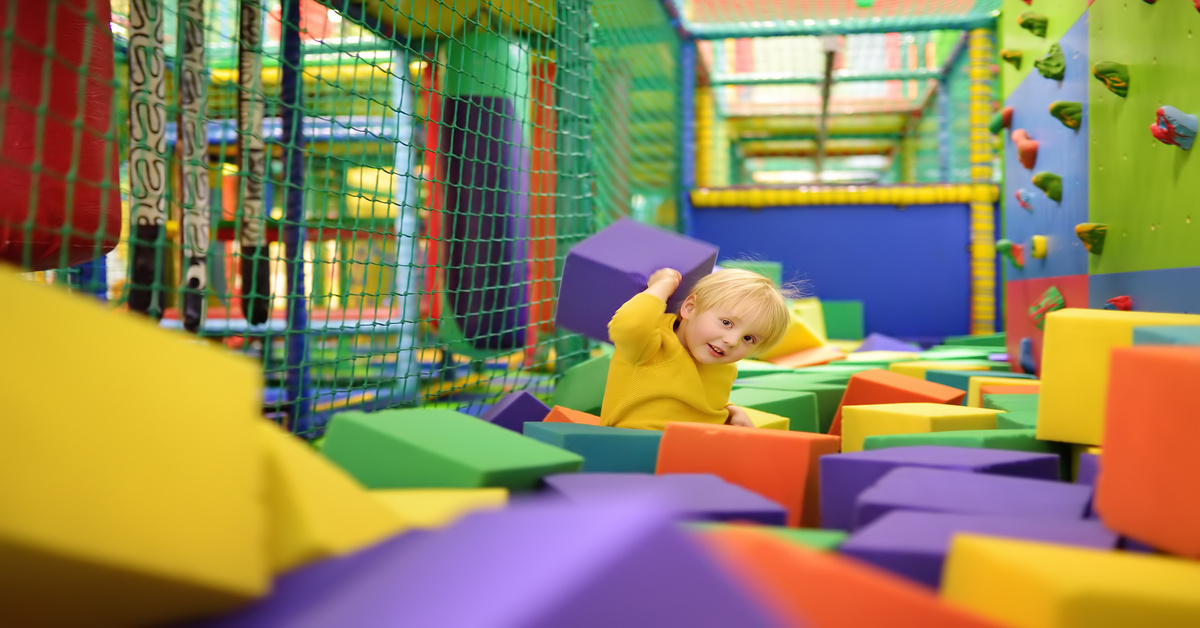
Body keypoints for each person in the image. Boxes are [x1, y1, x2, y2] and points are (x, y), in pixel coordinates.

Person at [600, 267, 794, 431]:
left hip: (691, 452)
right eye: (727, 322)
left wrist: (730, 411)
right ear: (690, 308)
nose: (733, 341)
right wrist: (663, 285)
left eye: (749, 338)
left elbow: (699, 402)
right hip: (635, 446)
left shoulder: (724, 367)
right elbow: (629, 326)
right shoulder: (651, 344)